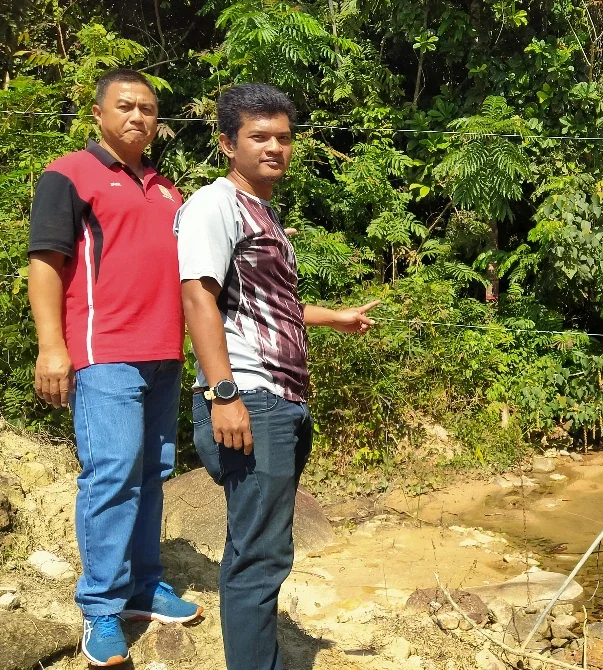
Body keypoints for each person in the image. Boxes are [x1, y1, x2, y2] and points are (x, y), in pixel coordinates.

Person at [174, 83, 378, 670]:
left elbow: (265, 304)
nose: (274, 148)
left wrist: (331, 317)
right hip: (250, 397)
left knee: (263, 548)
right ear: (226, 143)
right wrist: (224, 394)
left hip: (279, 399)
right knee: (258, 557)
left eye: (283, 138)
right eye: (258, 137)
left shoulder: (262, 211)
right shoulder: (215, 204)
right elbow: (197, 299)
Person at [27, 68, 203, 667]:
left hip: (163, 354)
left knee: (153, 470)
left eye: (149, 109)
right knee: (111, 475)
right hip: (104, 354)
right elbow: (46, 262)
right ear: (99, 114)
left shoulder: (167, 188)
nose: (138, 117)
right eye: (125, 106)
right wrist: (53, 348)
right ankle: (99, 606)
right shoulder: (69, 173)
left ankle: (142, 586)